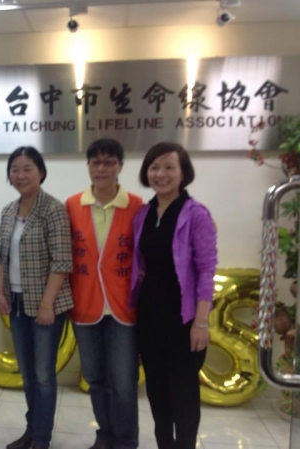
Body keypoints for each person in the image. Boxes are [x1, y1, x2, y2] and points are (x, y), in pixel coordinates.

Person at [130, 142, 217, 449]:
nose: (161, 174)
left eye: (169, 167)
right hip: (149, 315)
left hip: (184, 320)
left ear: (183, 173)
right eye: (154, 167)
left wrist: (201, 323)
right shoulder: (143, 214)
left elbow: (206, 270)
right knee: (156, 390)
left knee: (183, 393)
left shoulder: (197, 214)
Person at [66, 139, 143, 449]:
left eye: (109, 162)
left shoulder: (137, 206)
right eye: (95, 162)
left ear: (120, 166)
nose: (101, 168)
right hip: (85, 306)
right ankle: (106, 434)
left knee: (123, 383)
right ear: (88, 166)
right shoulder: (72, 205)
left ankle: (126, 441)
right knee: (96, 379)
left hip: (124, 309)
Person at [0, 146, 73, 449]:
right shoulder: (8, 211)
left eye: (27, 168)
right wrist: (1, 291)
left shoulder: (53, 209)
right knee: (27, 374)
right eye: (15, 169)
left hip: (45, 306)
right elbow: (2, 256)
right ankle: (31, 429)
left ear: (40, 172)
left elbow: (62, 262)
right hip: (15, 302)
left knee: (43, 376)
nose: (20, 175)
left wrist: (46, 304)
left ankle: (41, 438)